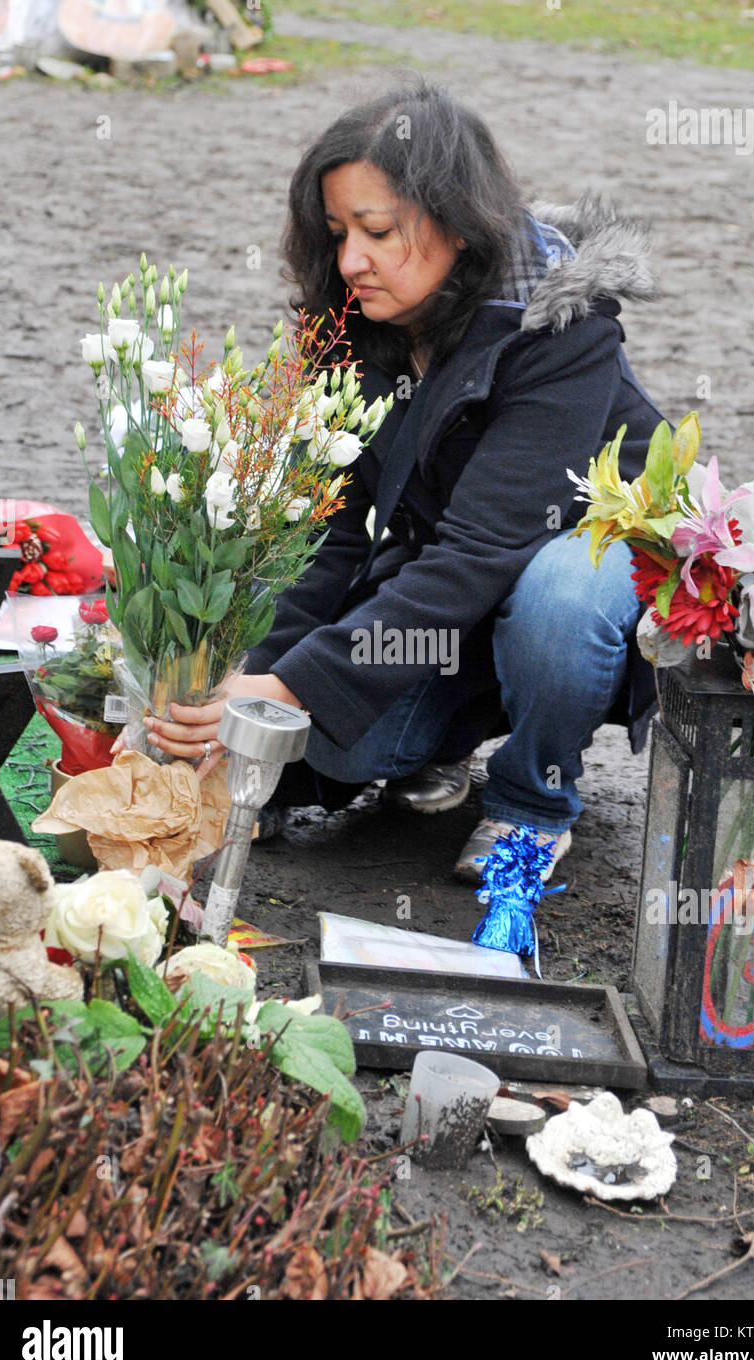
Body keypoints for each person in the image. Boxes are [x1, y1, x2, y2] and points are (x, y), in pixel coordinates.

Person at [142, 78, 666, 882]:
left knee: (561, 600)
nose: (351, 260)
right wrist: (251, 690)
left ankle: (532, 801)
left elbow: (483, 547)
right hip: (455, 584)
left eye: (378, 231)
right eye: (337, 232)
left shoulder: (564, 331)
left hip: (576, 560)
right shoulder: (356, 325)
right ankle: (450, 735)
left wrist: (292, 686)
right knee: (347, 748)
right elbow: (327, 530)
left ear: (457, 223)